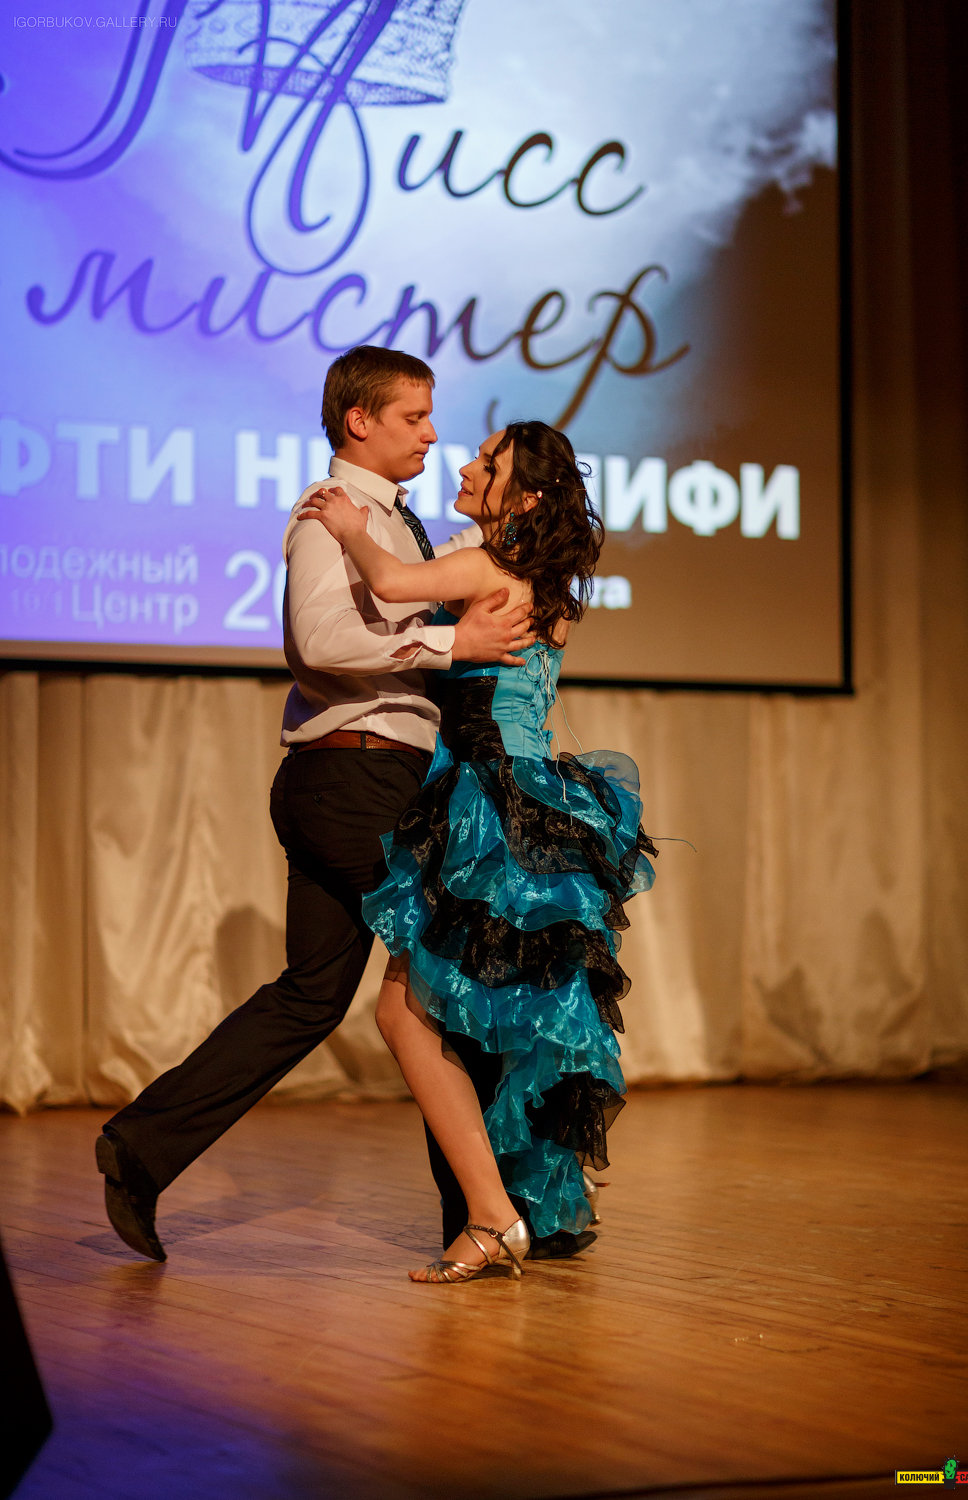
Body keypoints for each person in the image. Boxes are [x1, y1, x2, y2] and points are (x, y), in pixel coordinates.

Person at [95, 347, 541, 1264]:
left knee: (311, 997)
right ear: (359, 422)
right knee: (447, 977)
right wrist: (452, 646)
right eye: (414, 417)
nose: (432, 434)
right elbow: (320, 642)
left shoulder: (400, 525)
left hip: (360, 780)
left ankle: (140, 1147)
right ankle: (491, 1210)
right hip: (355, 778)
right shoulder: (329, 515)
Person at [301, 419, 657, 1282]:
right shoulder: (543, 578)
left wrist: (348, 525)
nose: (464, 464)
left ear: (523, 497)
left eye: (488, 463)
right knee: (512, 1014)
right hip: (533, 797)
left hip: (491, 802)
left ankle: (495, 1217)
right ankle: (528, 1200)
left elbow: (392, 583)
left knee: (410, 1011)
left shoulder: (493, 566)